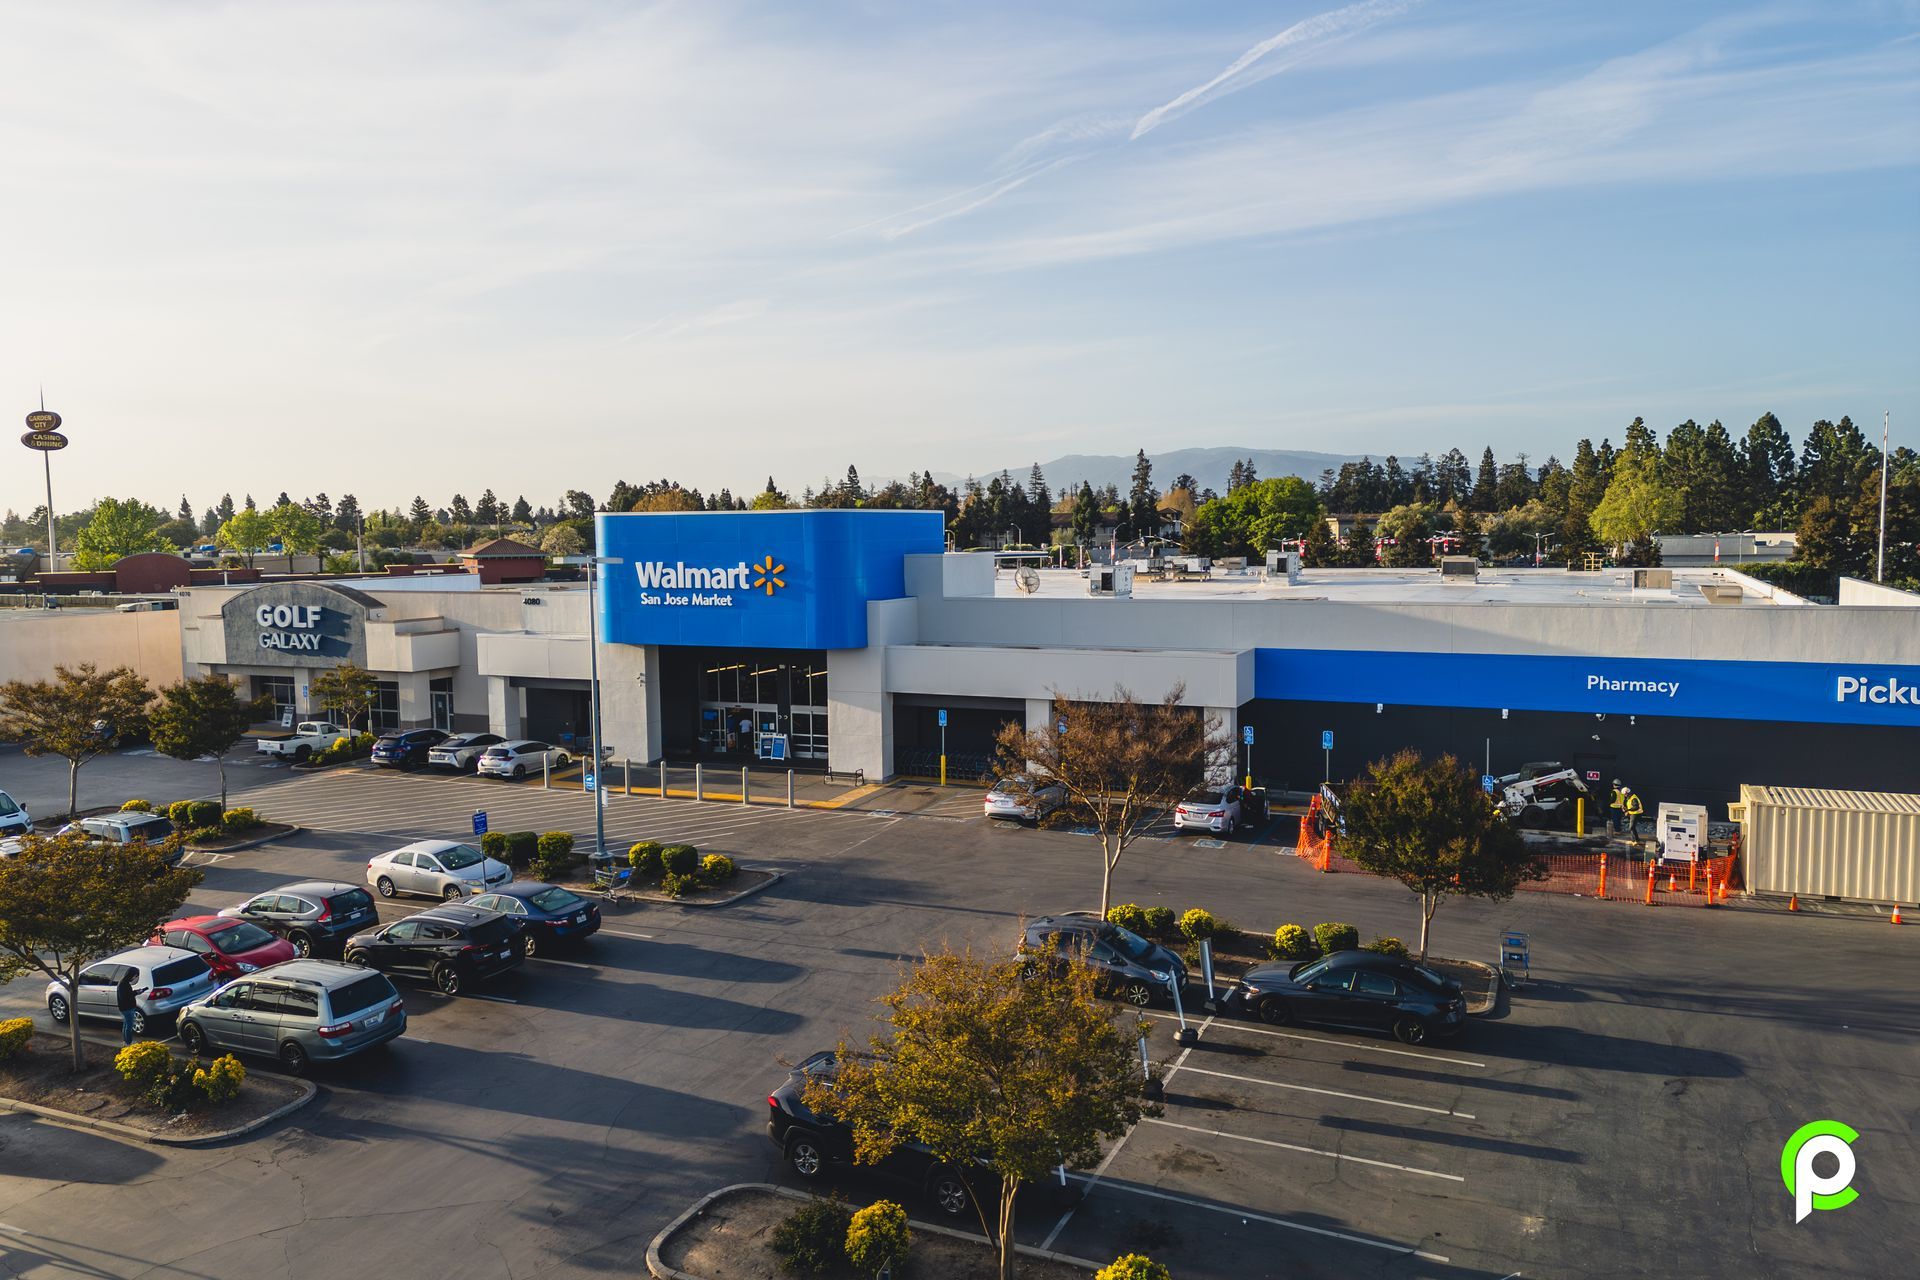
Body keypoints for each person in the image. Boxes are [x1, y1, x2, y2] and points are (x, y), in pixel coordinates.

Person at [114, 971, 145, 1044]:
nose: (134, 978)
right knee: (129, 1026)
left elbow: (127, 994)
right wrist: (135, 993)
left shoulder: (124, 983)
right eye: (134, 976)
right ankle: (128, 1042)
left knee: (126, 1025)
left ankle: (126, 1041)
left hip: (126, 1008)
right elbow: (125, 997)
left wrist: (135, 992)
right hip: (127, 1008)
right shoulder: (123, 984)